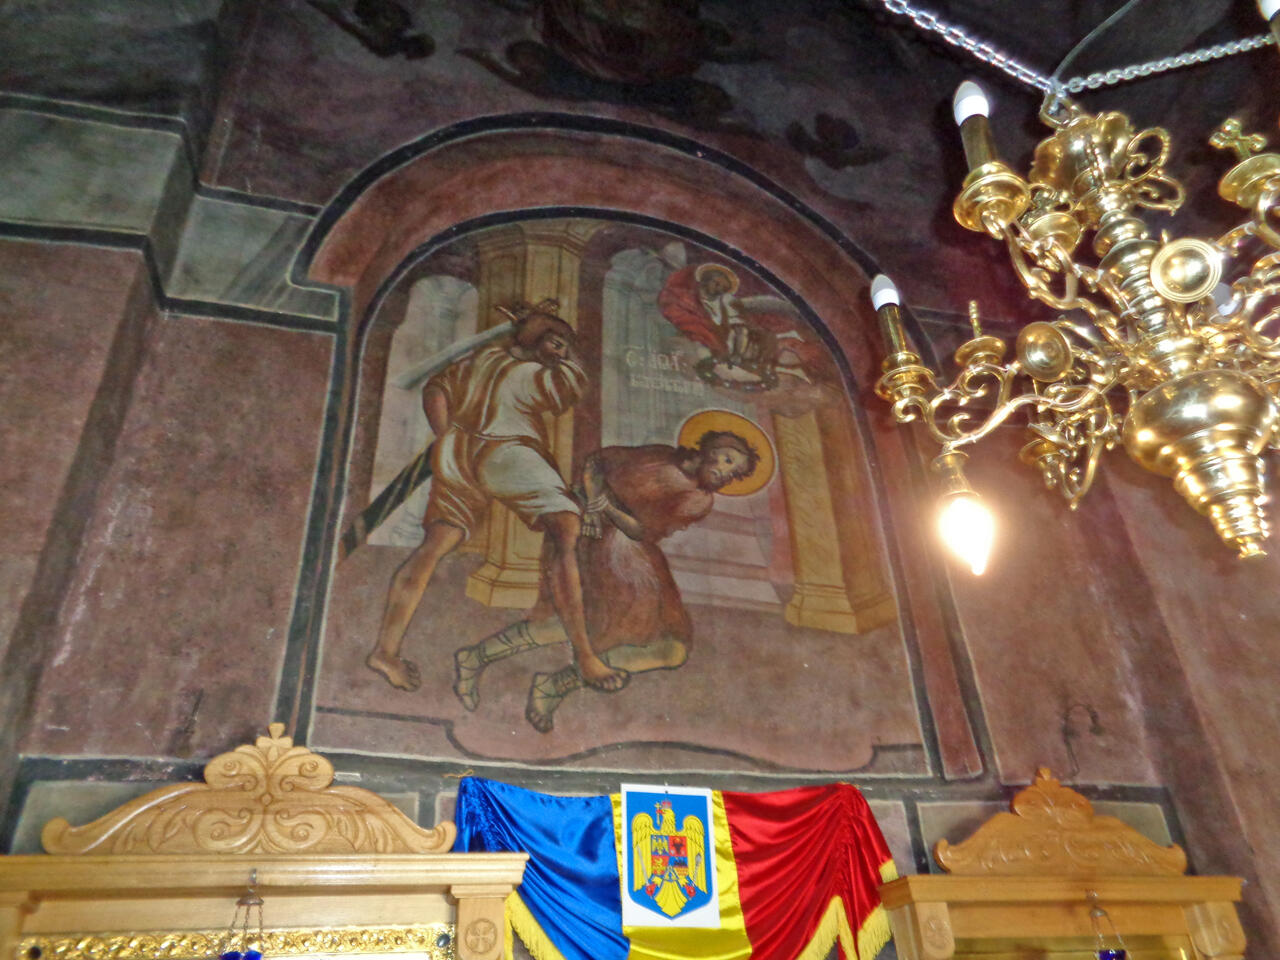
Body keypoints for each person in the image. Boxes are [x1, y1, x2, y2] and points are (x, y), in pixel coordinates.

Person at [365, 303, 627, 694]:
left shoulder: (480, 361)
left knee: (435, 545)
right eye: (555, 342)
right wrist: (571, 357)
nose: (560, 350)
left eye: (563, 345)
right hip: (507, 453)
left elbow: (436, 389)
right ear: (534, 340)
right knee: (565, 525)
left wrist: (446, 437)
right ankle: (586, 656)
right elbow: (571, 385)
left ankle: (385, 651)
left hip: (459, 455)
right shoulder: (528, 374)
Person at [451, 429, 761, 732]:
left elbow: (641, 530)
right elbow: (597, 462)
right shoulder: (660, 454)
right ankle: (503, 667)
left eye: (734, 473)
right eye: (727, 459)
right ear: (709, 448)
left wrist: (604, 504)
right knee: (583, 621)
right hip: (594, 542)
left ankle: (545, 679)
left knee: (666, 646)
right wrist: (594, 500)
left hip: (629, 559)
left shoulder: (699, 500)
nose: (726, 473)